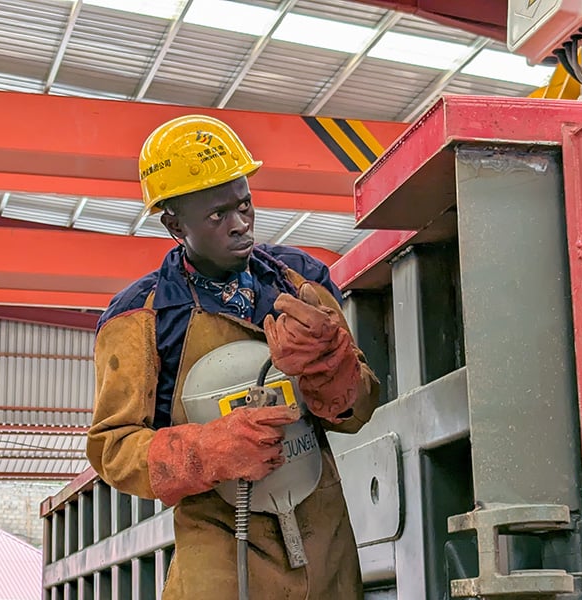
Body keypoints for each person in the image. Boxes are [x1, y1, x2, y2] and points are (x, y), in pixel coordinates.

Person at [86, 114, 380, 599]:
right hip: (220, 550)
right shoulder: (140, 318)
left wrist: (332, 369)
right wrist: (207, 451)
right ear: (174, 223)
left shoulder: (301, 282)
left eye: (245, 204)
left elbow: (358, 412)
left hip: (324, 538)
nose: (241, 224)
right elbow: (113, 450)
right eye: (217, 215)